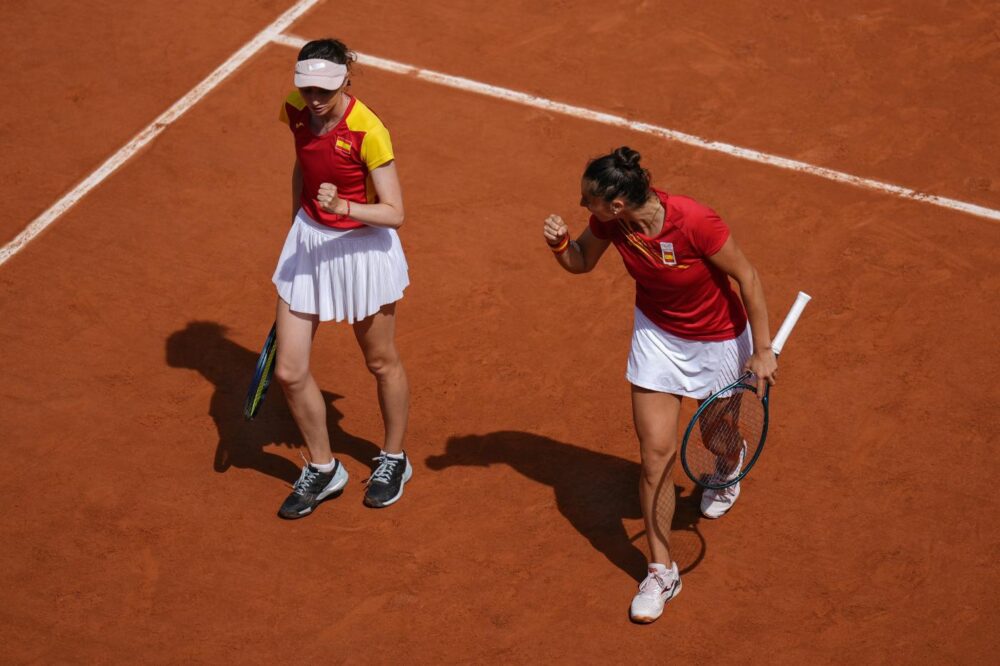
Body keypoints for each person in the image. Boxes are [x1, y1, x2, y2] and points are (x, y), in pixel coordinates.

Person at [541, 147, 777, 623]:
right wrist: (562, 243)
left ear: (617, 204)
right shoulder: (612, 224)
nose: (582, 205)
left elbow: (747, 277)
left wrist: (764, 349)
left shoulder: (694, 221)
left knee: (713, 435)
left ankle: (728, 456)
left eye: (588, 200)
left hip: (717, 340)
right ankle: (661, 570)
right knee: (655, 457)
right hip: (658, 338)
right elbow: (582, 262)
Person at [271, 38, 412, 519]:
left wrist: (343, 206)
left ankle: (394, 458)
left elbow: (395, 212)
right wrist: (298, 223)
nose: (314, 97)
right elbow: (303, 164)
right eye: (307, 87)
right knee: (289, 371)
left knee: (380, 362)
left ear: (346, 79)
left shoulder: (369, 131)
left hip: (362, 250)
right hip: (310, 243)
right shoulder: (293, 108)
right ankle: (324, 467)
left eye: (325, 88)